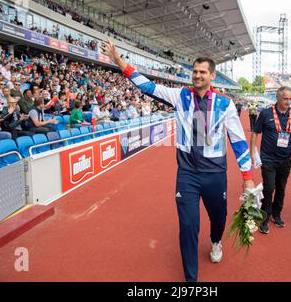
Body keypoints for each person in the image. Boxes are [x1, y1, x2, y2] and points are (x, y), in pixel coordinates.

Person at [101, 39, 255, 282]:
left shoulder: (225, 104)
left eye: (202, 72)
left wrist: (248, 178)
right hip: (188, 174)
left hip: (215, 175)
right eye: (194, 71)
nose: (197, 75)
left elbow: (238, 142)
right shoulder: (179, 95)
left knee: (219, 218)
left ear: (212, 76)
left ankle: (216, 241)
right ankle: (190, 280)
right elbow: (147, 87)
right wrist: (118, 61)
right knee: (188, 226)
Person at [250, 86, 291, 234]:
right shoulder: (266, 113)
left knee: (281, 188)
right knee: (269, 188)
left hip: (286, 159)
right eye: (285, 99)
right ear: (277, 97)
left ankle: (276, 214)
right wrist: (252, 152)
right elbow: (255, 133)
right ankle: (265, 217)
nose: (288, 102)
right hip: (268, 158)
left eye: (290, 99)